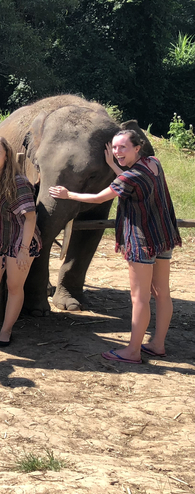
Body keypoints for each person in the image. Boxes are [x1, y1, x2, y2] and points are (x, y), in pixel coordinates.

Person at [49, 129, 181, 364]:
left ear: (137, 148)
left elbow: (100, 197)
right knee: (162, 293)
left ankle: (132, 351)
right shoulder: (154, 164)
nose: (118, 152)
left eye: (123, 148)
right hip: (163, 237)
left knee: (139, 297)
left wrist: (68, 194)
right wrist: (114, 165)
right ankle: (157, 344)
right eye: (115, 148)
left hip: (141, 242)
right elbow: (131, 182)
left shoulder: (128, 178)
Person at [0, 137, 40, 348]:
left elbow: (30, 217)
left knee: (14, 287)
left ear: (7, 156)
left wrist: (22, 250)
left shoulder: (18, 182)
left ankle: (6, 331)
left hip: (19, 242)